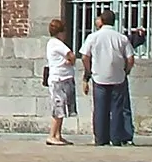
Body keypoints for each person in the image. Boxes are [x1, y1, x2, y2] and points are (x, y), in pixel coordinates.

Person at [79, 9, 135, 146]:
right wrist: (126, 71)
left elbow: (85, 56)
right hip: (118, 77)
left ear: (102, 21)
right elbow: (130, 58)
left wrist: (89, 70)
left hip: (99, 76)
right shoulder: (121, 38)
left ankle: (101, 138)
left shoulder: (93, 37)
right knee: (117, 109)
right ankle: (116, 137)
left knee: (100, 109)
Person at [43, 18, 78, 145]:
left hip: (60, 78)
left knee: (62, 108)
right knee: (58, 108)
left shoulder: (52, 43)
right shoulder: (57, 43)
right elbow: (71, 55)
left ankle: (58, 134)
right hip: (60, 78)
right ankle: (52, 135)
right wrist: (70, 62)